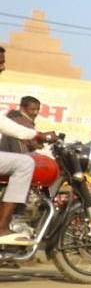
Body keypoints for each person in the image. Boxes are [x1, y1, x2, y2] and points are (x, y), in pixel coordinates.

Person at [0, 47, 58, 245]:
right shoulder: (17, 119)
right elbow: (6, 126)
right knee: (25, 164)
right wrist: (39, 135)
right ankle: (2, 227)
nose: (3, 67)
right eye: (0, 62)